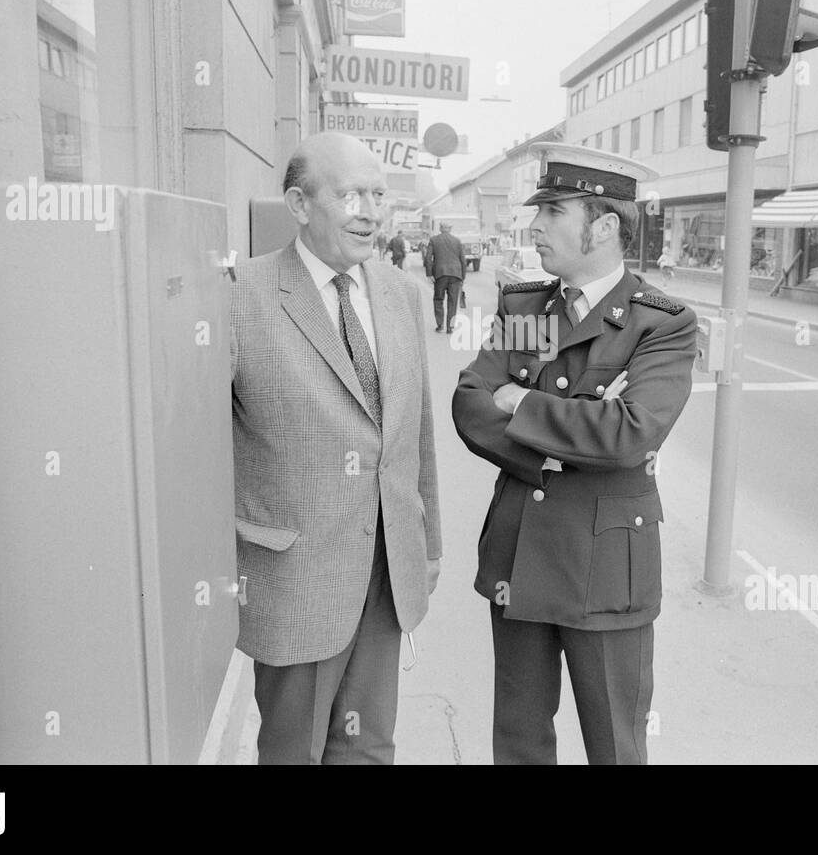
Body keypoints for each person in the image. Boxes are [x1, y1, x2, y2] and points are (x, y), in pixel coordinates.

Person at [451, 143, 697, 764]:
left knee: (615, 742)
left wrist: (521, 403)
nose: (534, 227)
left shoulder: (658, 324)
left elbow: (631, 433)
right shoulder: (529, 308)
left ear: (604, 226)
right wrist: (558, 447)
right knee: (519, 740)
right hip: (522, 552)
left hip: (605, 567)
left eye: (553, 211)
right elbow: (471, 405)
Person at [230, 132, 442, 764]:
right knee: (293, 752)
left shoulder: (400, 293)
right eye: (351, 194)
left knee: (369, 748)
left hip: (386, 571)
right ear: (299, 204)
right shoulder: (241, 294)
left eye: (379, 194)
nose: (370, 211)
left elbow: (415, 436)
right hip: (297, 579)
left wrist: (425, 551)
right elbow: (193, 451)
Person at [426, 221, 468, 333]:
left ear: (440, 228)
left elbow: (428, 258)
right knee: (453, 301)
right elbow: (463, 261)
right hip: (455, 275)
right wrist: (462, 276)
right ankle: (450, 327)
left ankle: (440, 325)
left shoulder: (434, 240)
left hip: (440, 274)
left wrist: (429, 274)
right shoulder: (457, 241)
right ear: (450, 229)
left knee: (438, 299)